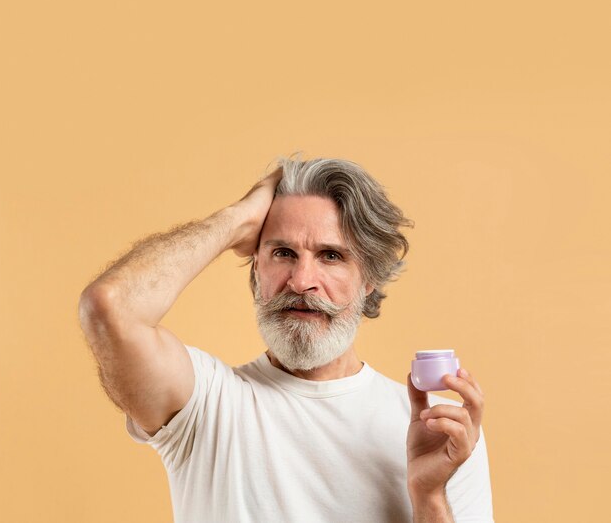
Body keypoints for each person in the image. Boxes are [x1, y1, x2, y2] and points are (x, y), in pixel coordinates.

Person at [78, 156, 494, 523]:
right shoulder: (205, 405)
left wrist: (430, 496)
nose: (301, 281)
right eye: (282, 253)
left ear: (369, 279)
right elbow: (110, 307)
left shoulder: (440, 429)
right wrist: (238, 218)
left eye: (331, 255)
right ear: (256, 269)